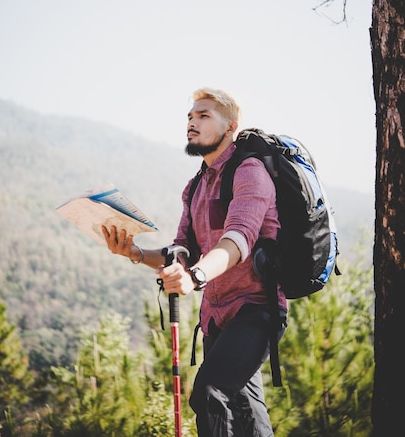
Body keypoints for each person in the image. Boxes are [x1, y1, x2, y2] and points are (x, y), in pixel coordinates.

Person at [102, 87, 288, 437]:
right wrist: (136, 253)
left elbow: (238, 240)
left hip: (256, 310)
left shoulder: (249, 172)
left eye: (204, 116)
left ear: (230, 127)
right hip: (216, 319)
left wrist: (196, 276)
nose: (192, 122)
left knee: (208, 393)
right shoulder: (196, 186)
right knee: (249, 417)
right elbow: (181, 249)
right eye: (190, 115)